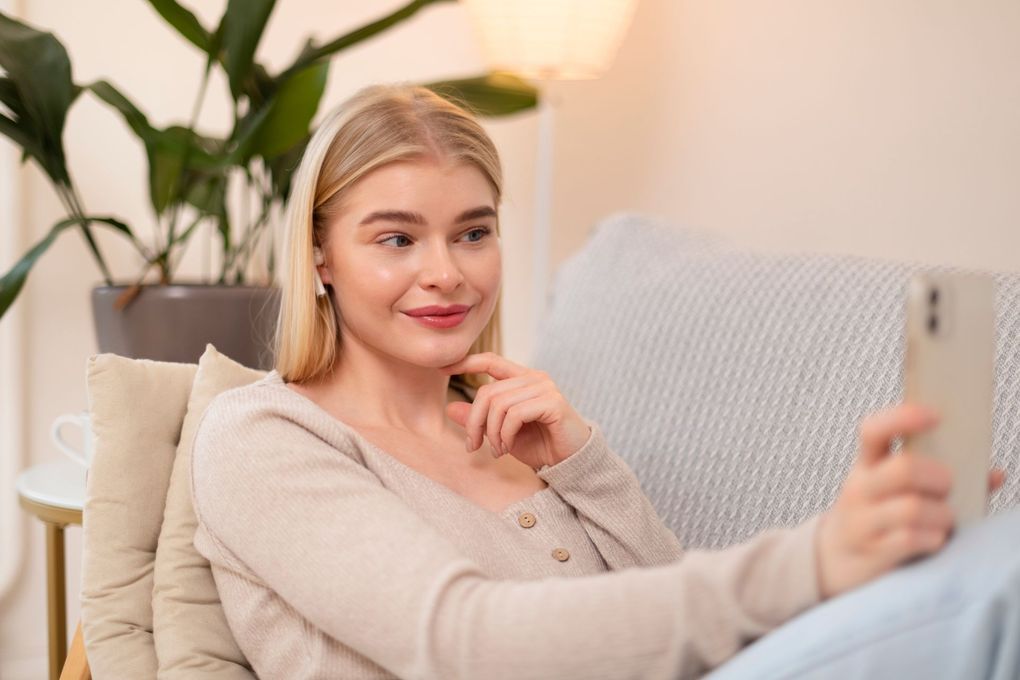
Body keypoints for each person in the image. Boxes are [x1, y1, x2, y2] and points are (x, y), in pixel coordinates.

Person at [189, 83, 1016, 680]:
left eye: (472, 232)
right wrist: (817, 558)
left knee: (988, 553)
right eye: (396, 240)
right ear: (320, 257)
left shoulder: (511, 432)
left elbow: (685, 634)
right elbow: (462, 644)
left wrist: (584, 465)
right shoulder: (262, 437)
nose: (446, 272)